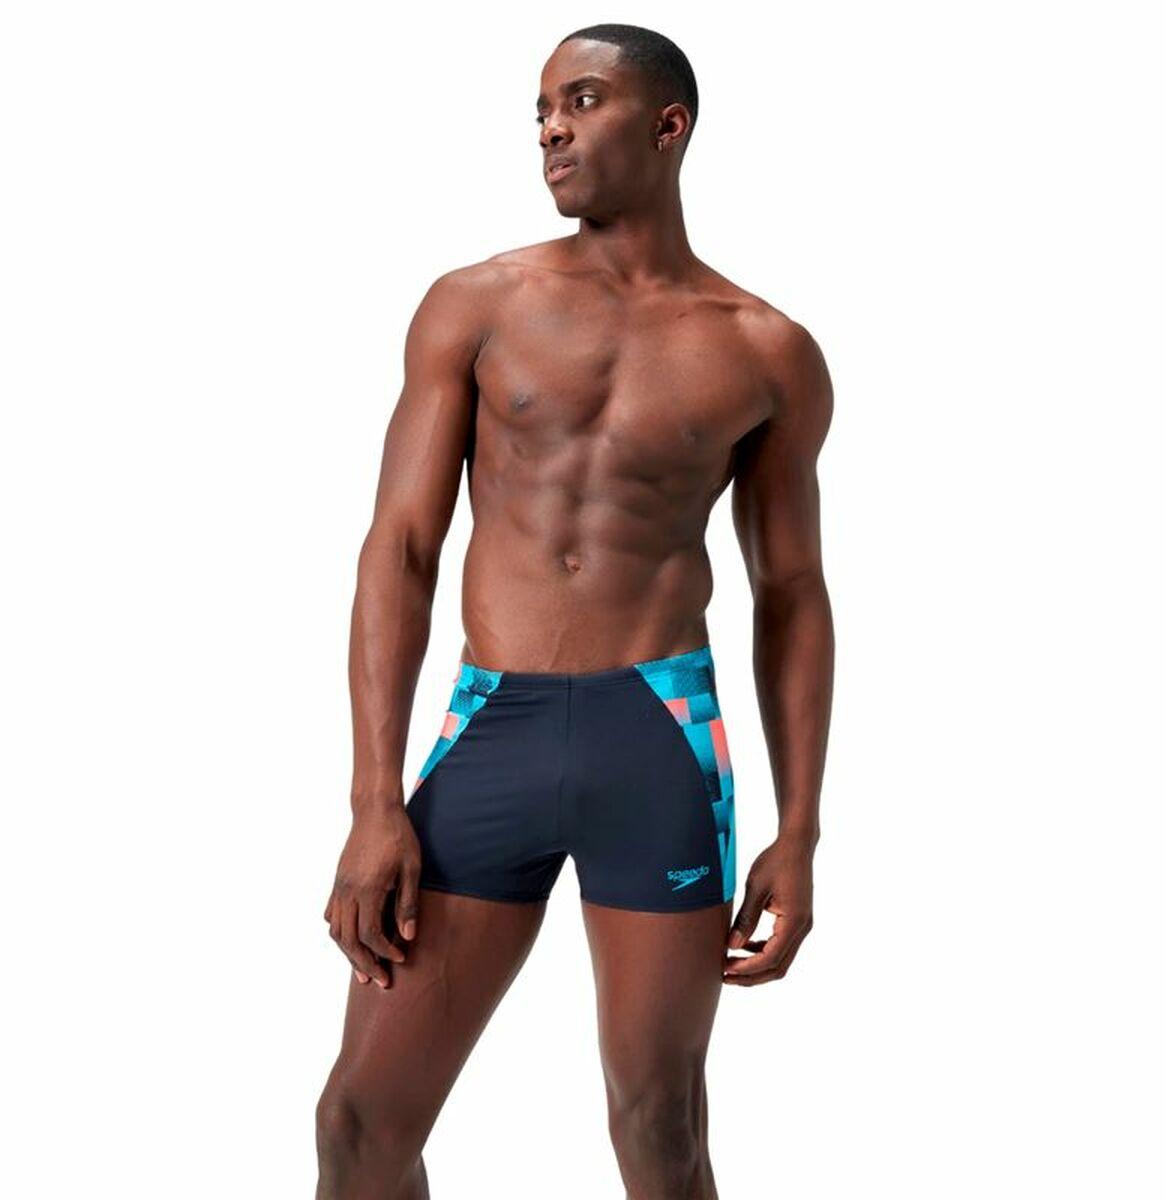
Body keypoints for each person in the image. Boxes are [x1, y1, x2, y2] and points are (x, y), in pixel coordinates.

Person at [315, 22, 834, 1200]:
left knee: (660, 1126)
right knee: (359, 1122)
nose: (551, 127)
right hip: (490, 730)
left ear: (668, 125)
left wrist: (799, 831)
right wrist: (373, 800)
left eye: (582, 100)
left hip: (658, 735)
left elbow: (793, 592)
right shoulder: (476, 305)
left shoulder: (768, 351)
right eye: (542, 109)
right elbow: (399, 550)